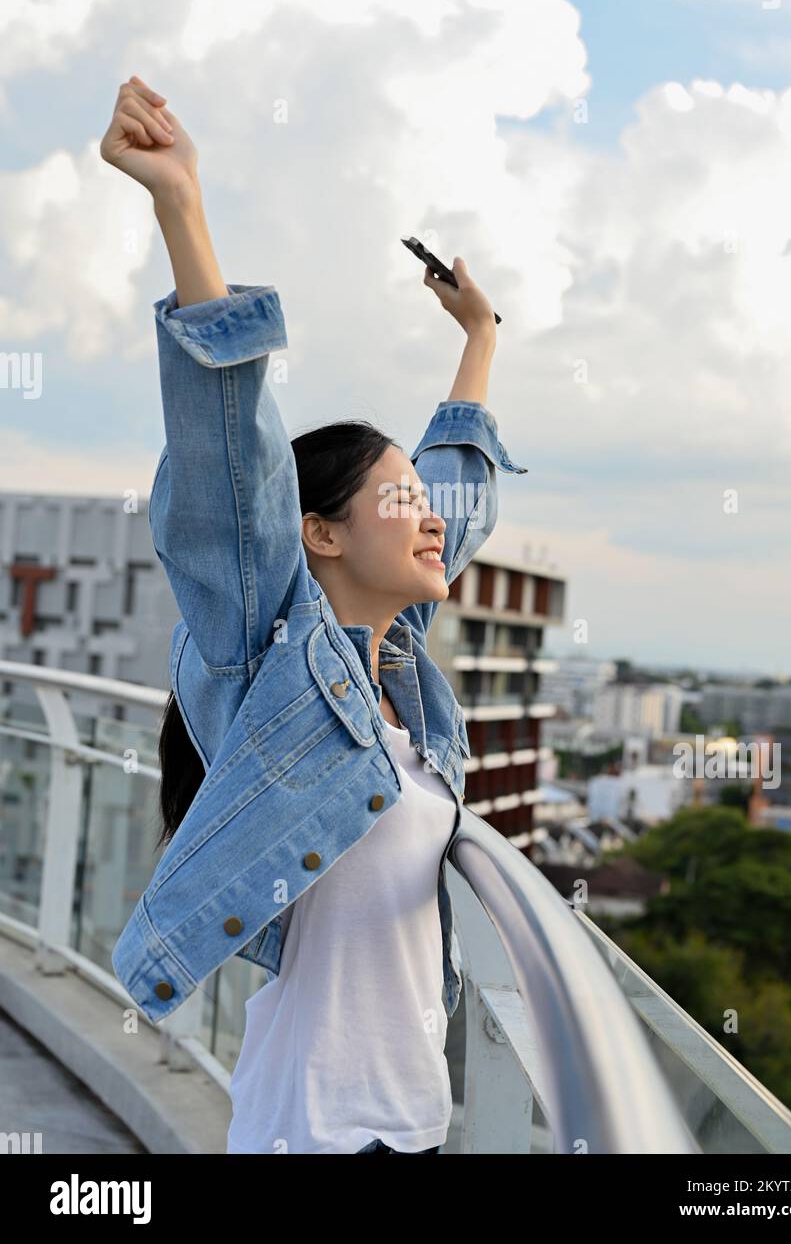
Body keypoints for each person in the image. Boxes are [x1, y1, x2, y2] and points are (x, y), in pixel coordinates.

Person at [101, 75, 520, 1154]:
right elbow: (230, 468)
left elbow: (453, 497)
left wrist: (479, 334)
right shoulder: (270, 661)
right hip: (314, 1136)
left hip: (417, 1127)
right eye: (399, 503)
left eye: (425, 506)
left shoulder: (402, 685)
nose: (431, 524)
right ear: (319, 533)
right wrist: (181, 208)